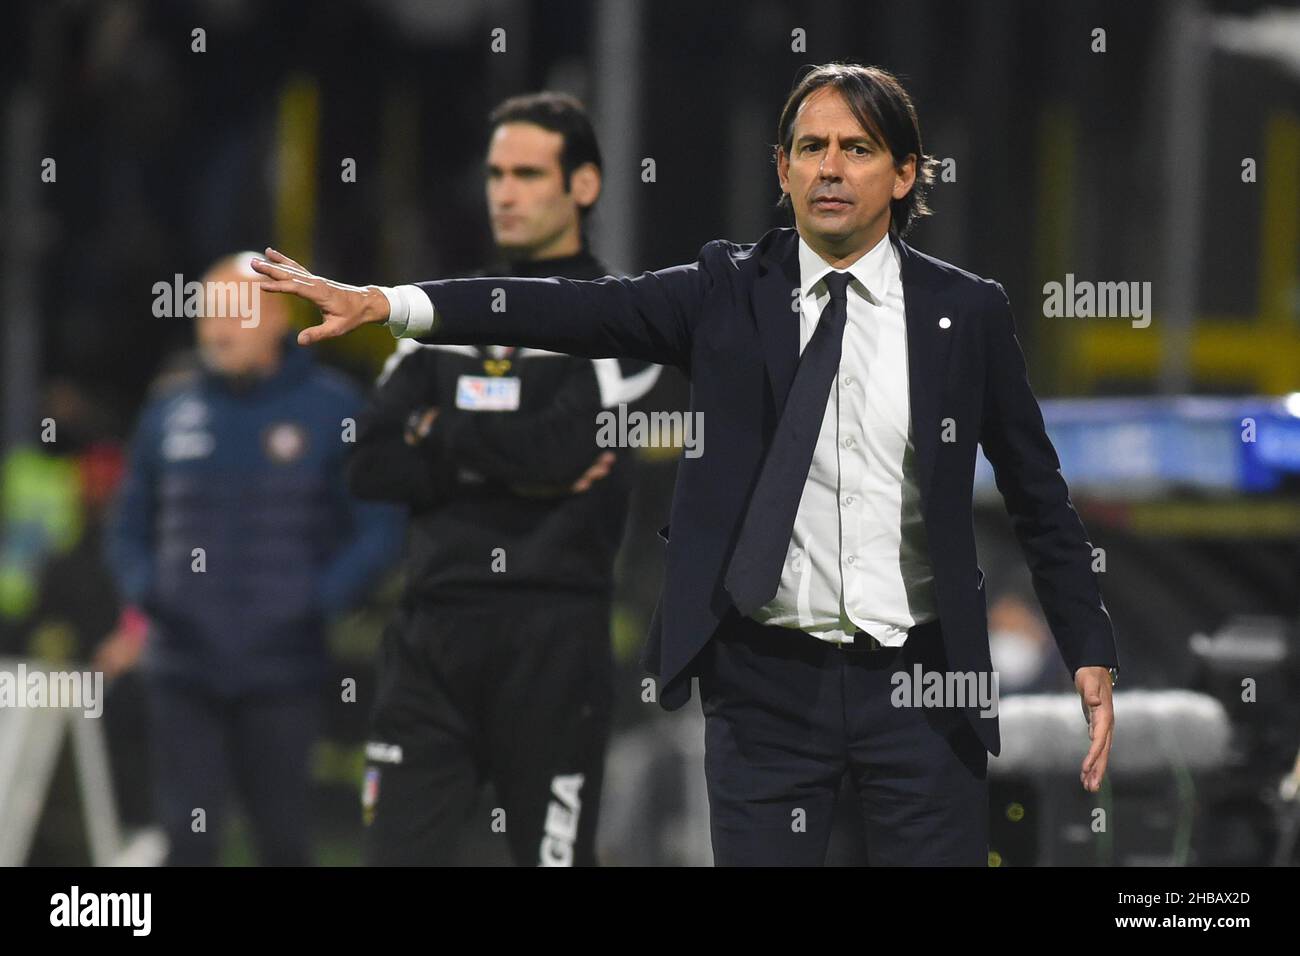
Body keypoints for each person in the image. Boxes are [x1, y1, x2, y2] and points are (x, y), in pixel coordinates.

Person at [251, 62, 1121, 866]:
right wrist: (389, 303)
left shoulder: (966, 313)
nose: (830, 168)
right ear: (781, 169)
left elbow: (1038, 493)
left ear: (904, 175)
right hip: (765, 687)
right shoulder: (722, 292)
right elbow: (565, 311)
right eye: (811, 148)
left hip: (923, 683)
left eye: (857, 149)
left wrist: (1087, 644)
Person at [348, 92, 659, 866]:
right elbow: (368, 461)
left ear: (583, 186)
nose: (505, 193)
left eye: (527, 172)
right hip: (431, 635)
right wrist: (508, 452)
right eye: (495, 174)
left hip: (553, 642)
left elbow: (558, 454)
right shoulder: (440, 317)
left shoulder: (626, 322)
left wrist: (440, 433)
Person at [105, 252, 404, 865]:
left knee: (282, 839)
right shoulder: (170, 409)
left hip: (282, 669)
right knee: (187, 842)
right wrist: (152, 592)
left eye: (229, 312)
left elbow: (379, 527)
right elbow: (128, 524)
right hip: (182, 667)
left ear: (275, 315)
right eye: (204, 315)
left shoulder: (333, 408)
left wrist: (314, 603)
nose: (214, 330)